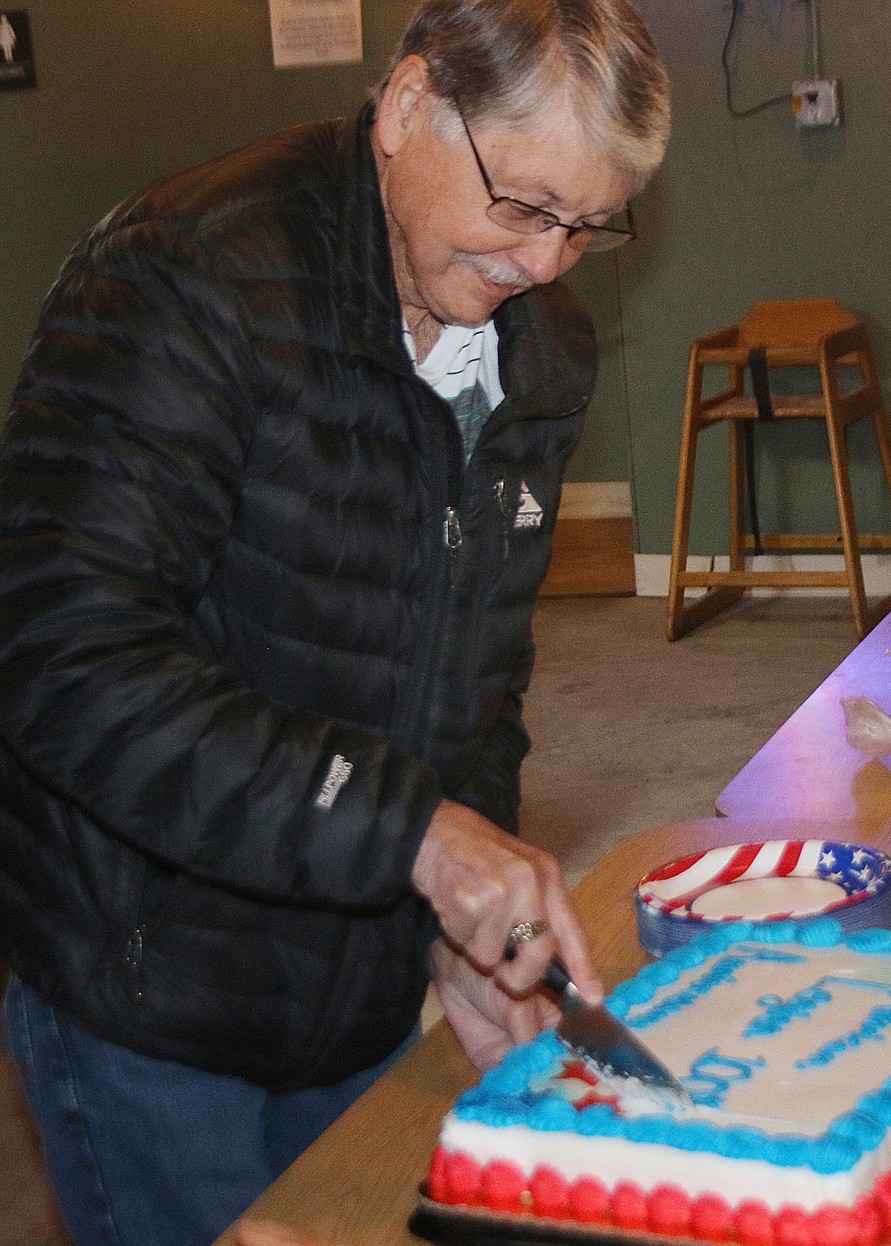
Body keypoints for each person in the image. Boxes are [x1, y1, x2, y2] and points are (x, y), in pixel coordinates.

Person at [0, 0, 670, 1241]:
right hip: (149, 976)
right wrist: (418, 837)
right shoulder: (182, 273)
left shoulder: (543, 342)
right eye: (523, 206)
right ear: (410, 105)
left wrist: (460, 926)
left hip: (357, 968)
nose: (544, 263)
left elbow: (476, 678)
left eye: (587, 225)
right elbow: (59, 662)